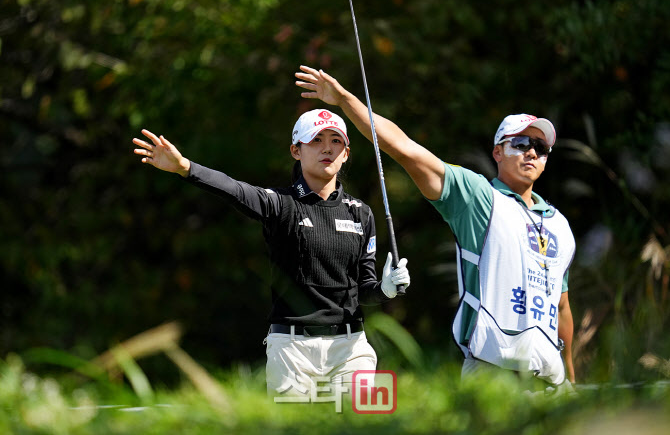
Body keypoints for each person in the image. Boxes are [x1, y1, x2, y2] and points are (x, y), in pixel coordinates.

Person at [295, 65, 576, 389]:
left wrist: (571, 376)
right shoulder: (477, 196)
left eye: (540, 148)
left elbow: (562, 304)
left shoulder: (559, 225)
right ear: (497, 151)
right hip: (494, 377)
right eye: (521, 143)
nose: (531, 152)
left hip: (553, 386)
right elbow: (403, 147)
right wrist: (344, 100)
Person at [131, 109, 410, 397]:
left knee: (362, 425)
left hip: (351, 348)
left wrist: (385, 289)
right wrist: (185, 167)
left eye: (336, 140)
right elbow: (234, 190)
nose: (327, 148)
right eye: (316, 140)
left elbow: (364, 289)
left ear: (346, 153)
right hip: (292, 350)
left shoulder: (361, 213)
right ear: (296, 150)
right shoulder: (280, 204)